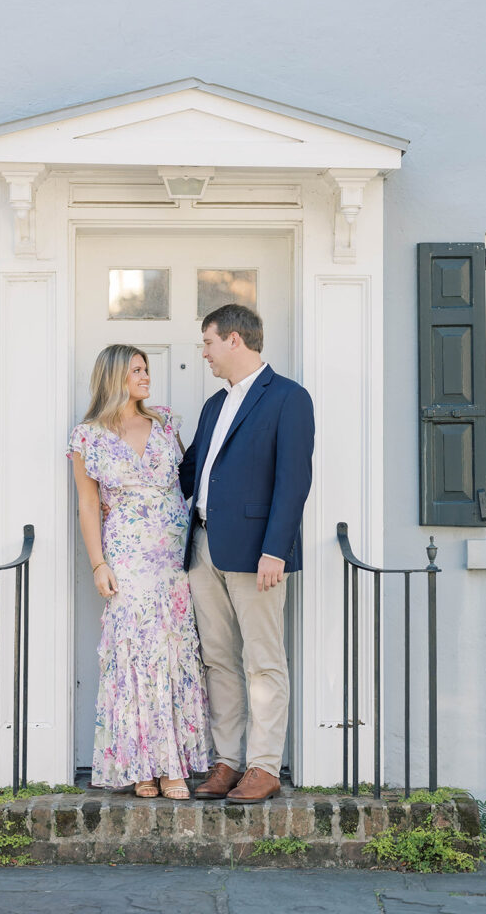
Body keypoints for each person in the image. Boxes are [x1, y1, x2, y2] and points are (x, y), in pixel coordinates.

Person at [179, 304, 314, 804]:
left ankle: (263, 766)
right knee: (217, 659)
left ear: (234, 340)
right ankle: (227, 761)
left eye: (208, 343)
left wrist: (275, 550)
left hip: (258, 555)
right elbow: (190, 471)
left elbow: (293, 481)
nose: (205, 353)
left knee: (263, 660)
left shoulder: (288, 398)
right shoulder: (214, 404)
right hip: (203, 547)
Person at [67, 344, 210, 799]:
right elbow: (88, 505)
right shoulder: (87, 436)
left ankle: (173, 766)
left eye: (147, 369)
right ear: (114, 377)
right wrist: (98, 563)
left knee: (171, 654)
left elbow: (192, 479)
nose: (146, 376)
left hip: (171, 557)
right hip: (126, 556)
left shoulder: (166, 422)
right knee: (133, 657)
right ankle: (140, 766)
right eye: (137, 370)